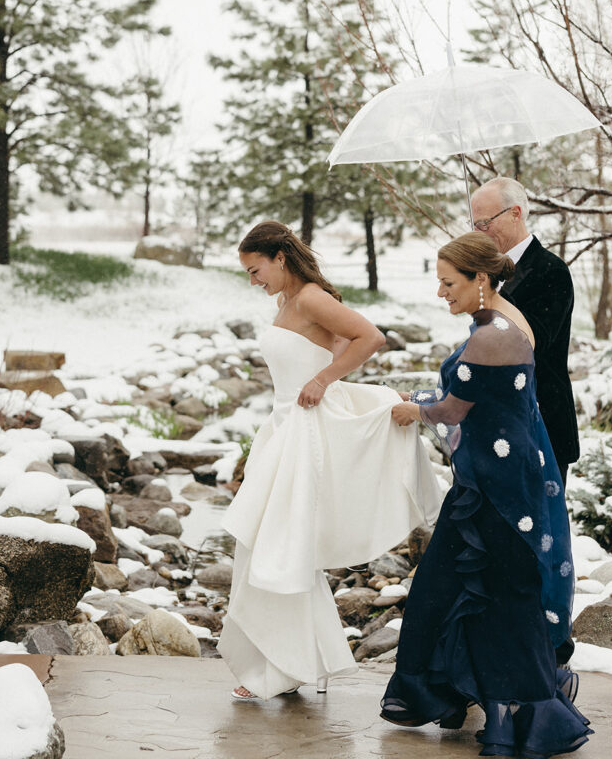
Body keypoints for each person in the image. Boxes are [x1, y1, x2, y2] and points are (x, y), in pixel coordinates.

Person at [380, 233, 591, 758]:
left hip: (497, 491)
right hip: (489, 479)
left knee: (496, 598)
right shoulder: (496, 321)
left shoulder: (493, 334)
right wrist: (425, 398)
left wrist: (419, 409)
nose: (439, 292)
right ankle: (470, 699)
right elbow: (482, 402)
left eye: (448, 282)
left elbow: (456, 409)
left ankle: (529, 713)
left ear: (480, 280)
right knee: (457, 589)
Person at [218, 221, 442, 702]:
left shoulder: (311, 297)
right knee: (266, 547)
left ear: (280, 258)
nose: (253, 281)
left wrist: (323, 381)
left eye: (256, 270)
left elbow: (369, 337)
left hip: (301, 431)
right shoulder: (286, 302)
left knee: (282, 548)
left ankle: (282, 669)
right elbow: (332, 342)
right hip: (281, 429)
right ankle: (288, 662)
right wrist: (324, 366)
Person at [470, 176, 579, 488]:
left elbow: (532, 342)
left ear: (515, 213)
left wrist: (490, 296)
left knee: (541, 529)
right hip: (496, 421)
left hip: (541, 420)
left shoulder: (551, 270)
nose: (479, 231)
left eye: (485, 222)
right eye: (474, 223)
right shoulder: (487, 272)